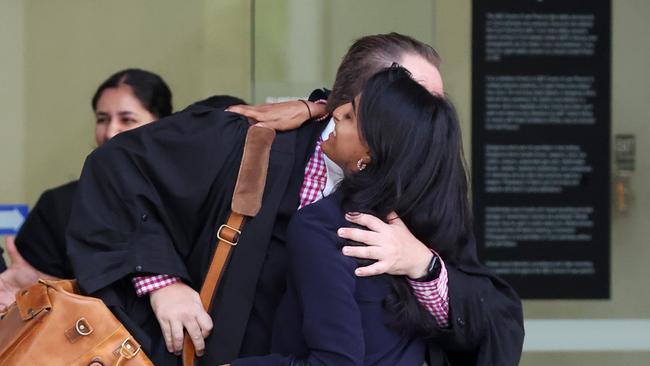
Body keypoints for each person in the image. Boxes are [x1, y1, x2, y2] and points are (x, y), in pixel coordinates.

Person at [67, 33, 523, 366]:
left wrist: (424, 265)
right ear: (359, 103)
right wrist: (160, 281)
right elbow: (116, 170)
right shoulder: (248, 139)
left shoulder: (426, 191)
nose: (430, 120)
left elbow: (493, 316)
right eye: (415, 100)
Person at [0, 68, 173, 310]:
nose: (111, 131)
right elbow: (31, 301)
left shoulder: (179, 200)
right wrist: (39, 289)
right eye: (102, 119)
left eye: (127, 119)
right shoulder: (58, 205)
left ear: (161, 126)